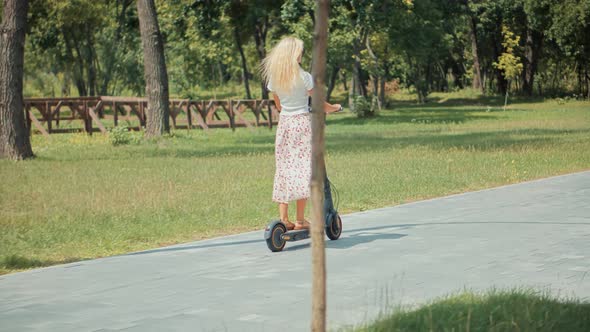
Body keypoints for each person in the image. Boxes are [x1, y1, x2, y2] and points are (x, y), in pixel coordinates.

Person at [261, 36, 342, 231]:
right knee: (304, 170)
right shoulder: (304, 76)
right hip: (302, 126)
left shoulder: (275, 78)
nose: (302, 55)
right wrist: (334, 108)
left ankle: (284, 219)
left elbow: (278, 105)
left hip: (285, 126)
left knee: (285, 169)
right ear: (294, 54)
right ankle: (299, 220)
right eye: (300, 51)